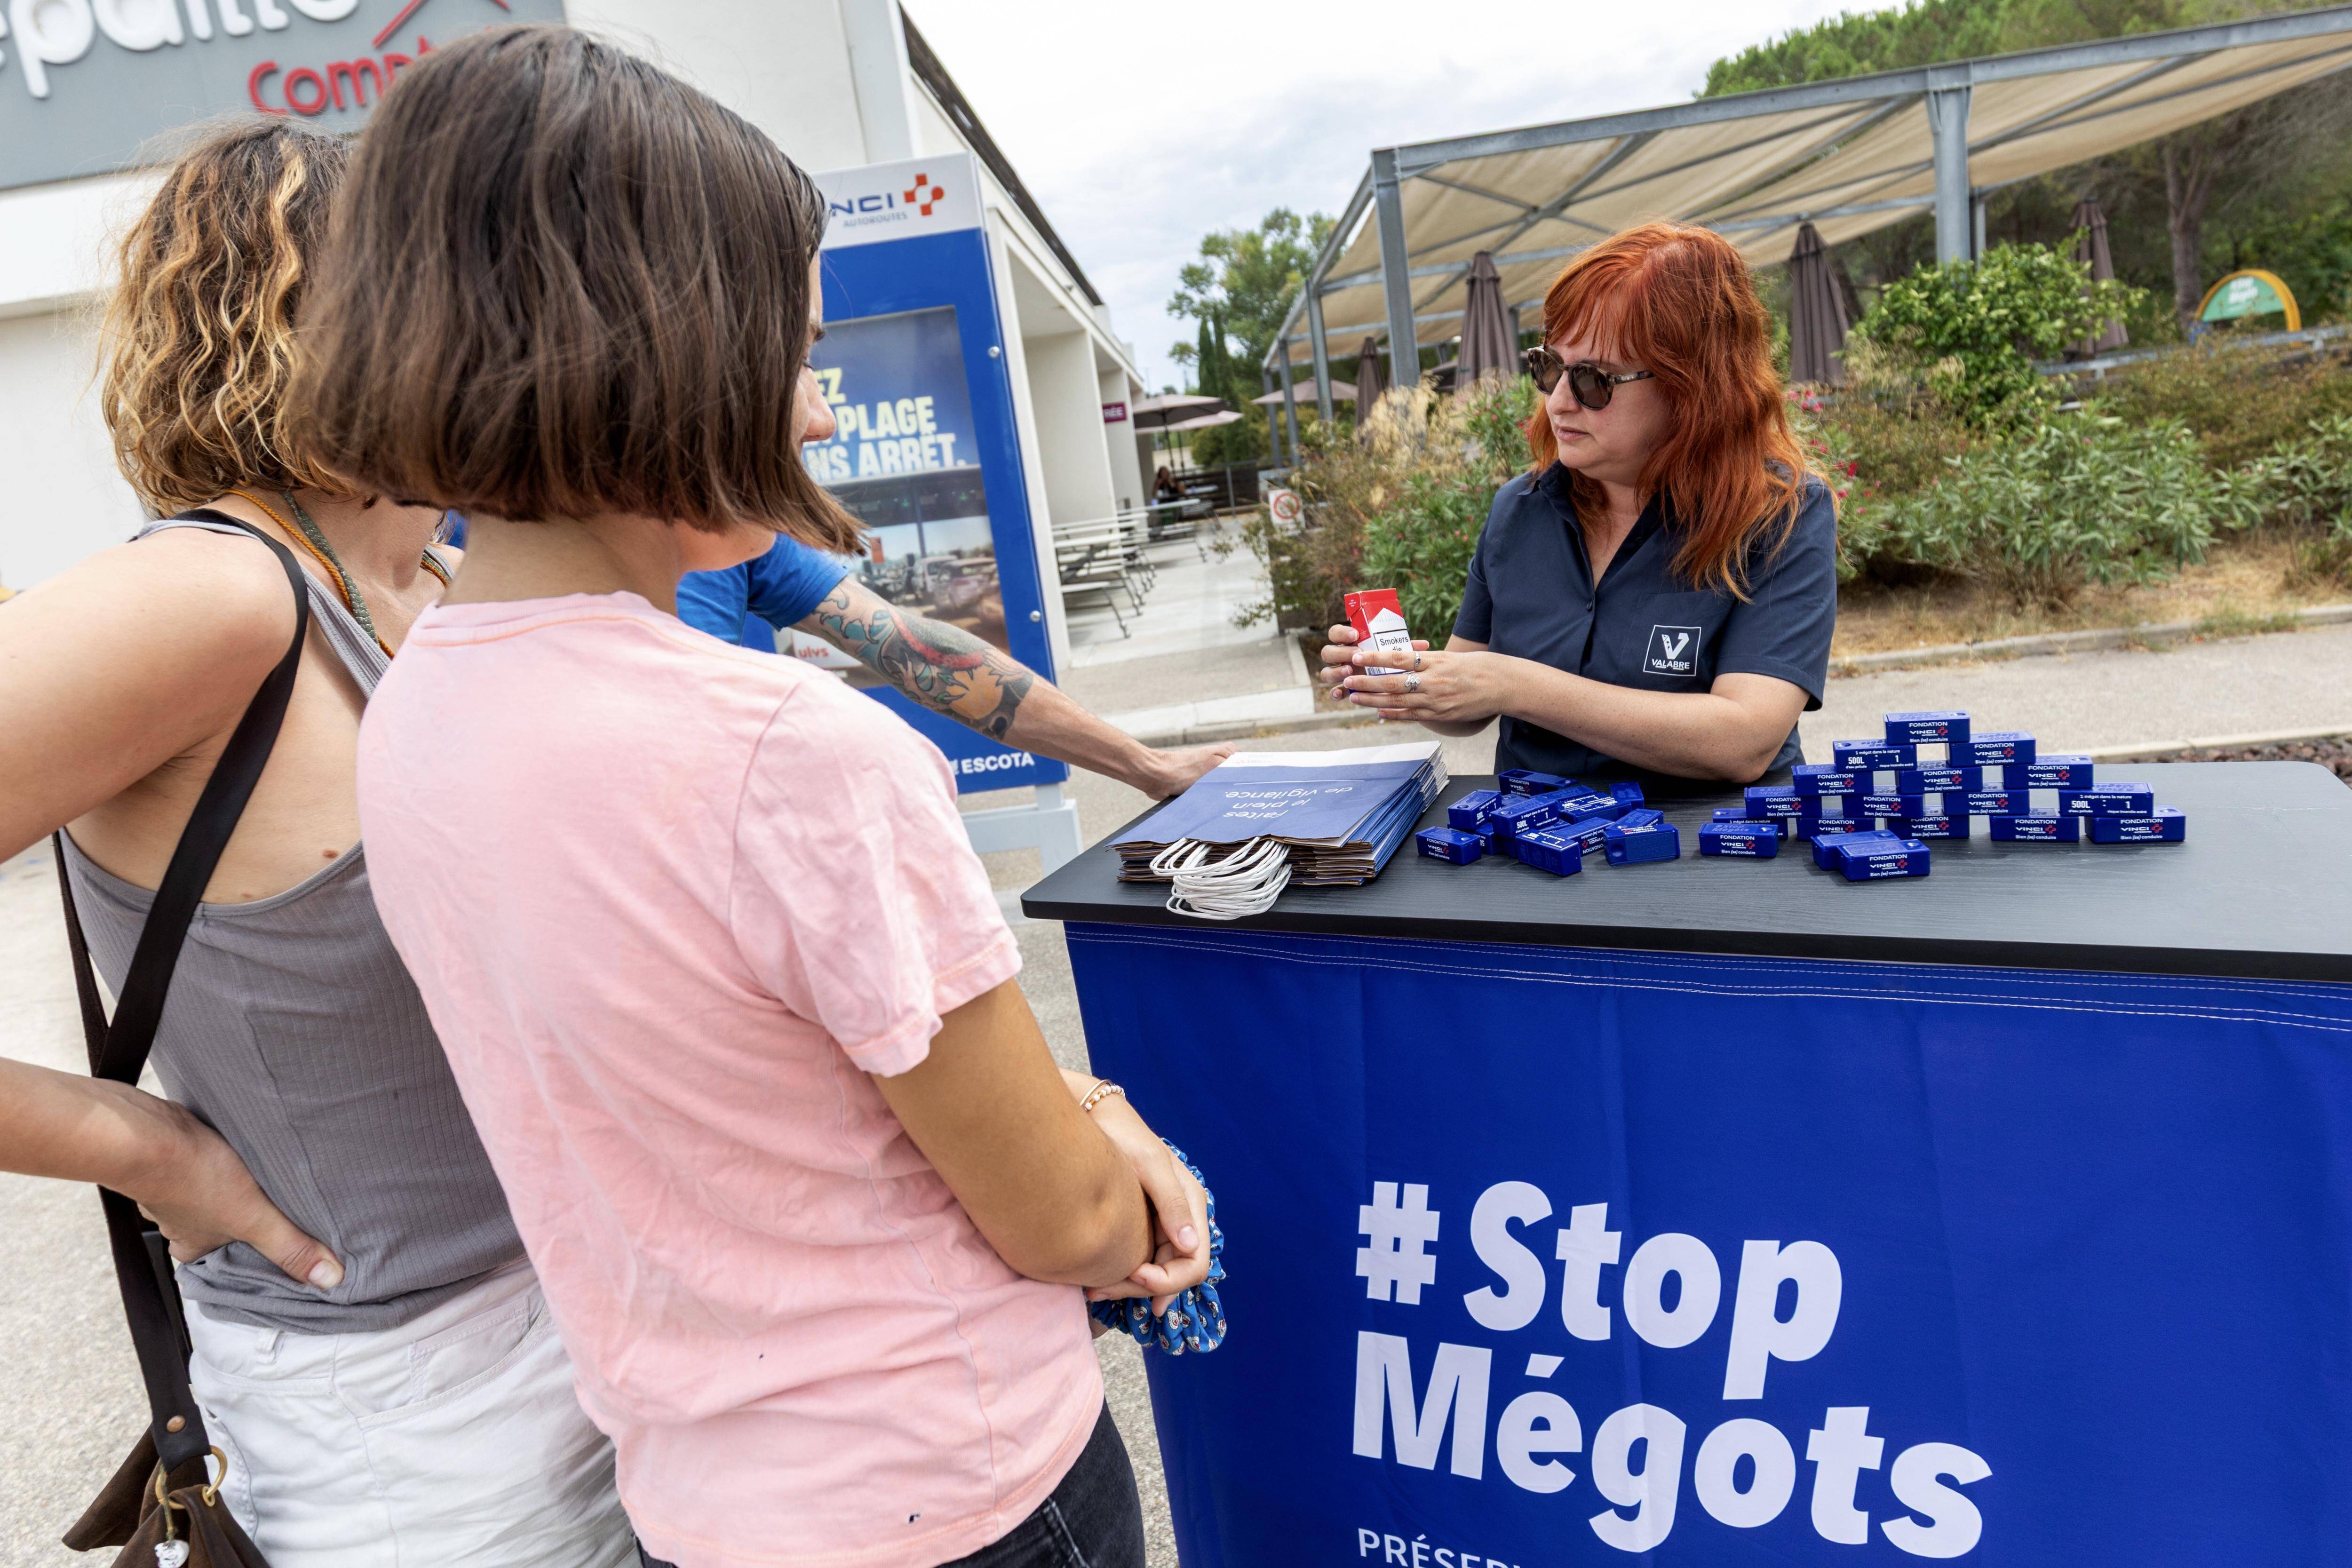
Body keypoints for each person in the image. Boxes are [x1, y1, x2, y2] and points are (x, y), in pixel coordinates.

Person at [298, 27, 1204, 1568]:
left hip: (704, 1505)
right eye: (795, 353)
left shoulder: (415, 706)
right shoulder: (790, 752)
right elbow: (1057, 1220)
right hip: (958, 1485)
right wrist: (1135, 1179)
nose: (822, 411)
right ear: (673, 351)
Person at [0, 120, 632, 1564]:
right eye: (479, 277)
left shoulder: (455, 581)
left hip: (610, 1333)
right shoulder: (213, 600)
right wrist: (140, 1144)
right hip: (415, 1417)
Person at [1321, 222, 1837, 795]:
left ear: (1693, 389)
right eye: (1549, 367)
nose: (1560, 400)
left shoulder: (1777, 513)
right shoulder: (1521, 508)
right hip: (1535, 847)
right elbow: (1465, 708)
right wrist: (1404, 680)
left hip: (1709, 856)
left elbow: (1743, 740)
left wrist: (1514, 684)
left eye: (1594, 380)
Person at [672, 533, 1225, 795]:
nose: (824, 421)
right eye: (802, 364)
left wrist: (1146, 767)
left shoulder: (730, 529)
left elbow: (918, 649)